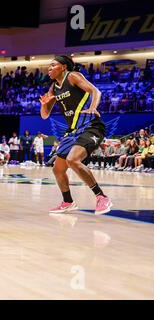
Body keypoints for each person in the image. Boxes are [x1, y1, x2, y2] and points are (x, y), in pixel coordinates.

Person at [39, 55, 112, 215]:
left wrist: (93, 107)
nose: (49, 69)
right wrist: (44, 105)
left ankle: (101, 197)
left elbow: (95, 91)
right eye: (49, 66)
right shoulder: (53, 88)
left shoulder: (73, 76)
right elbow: (45, 115)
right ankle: (68, 202)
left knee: (73, 160)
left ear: (64, 67)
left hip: (91, 126)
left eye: (53, 65)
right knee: (58, 170)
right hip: (72, 131)